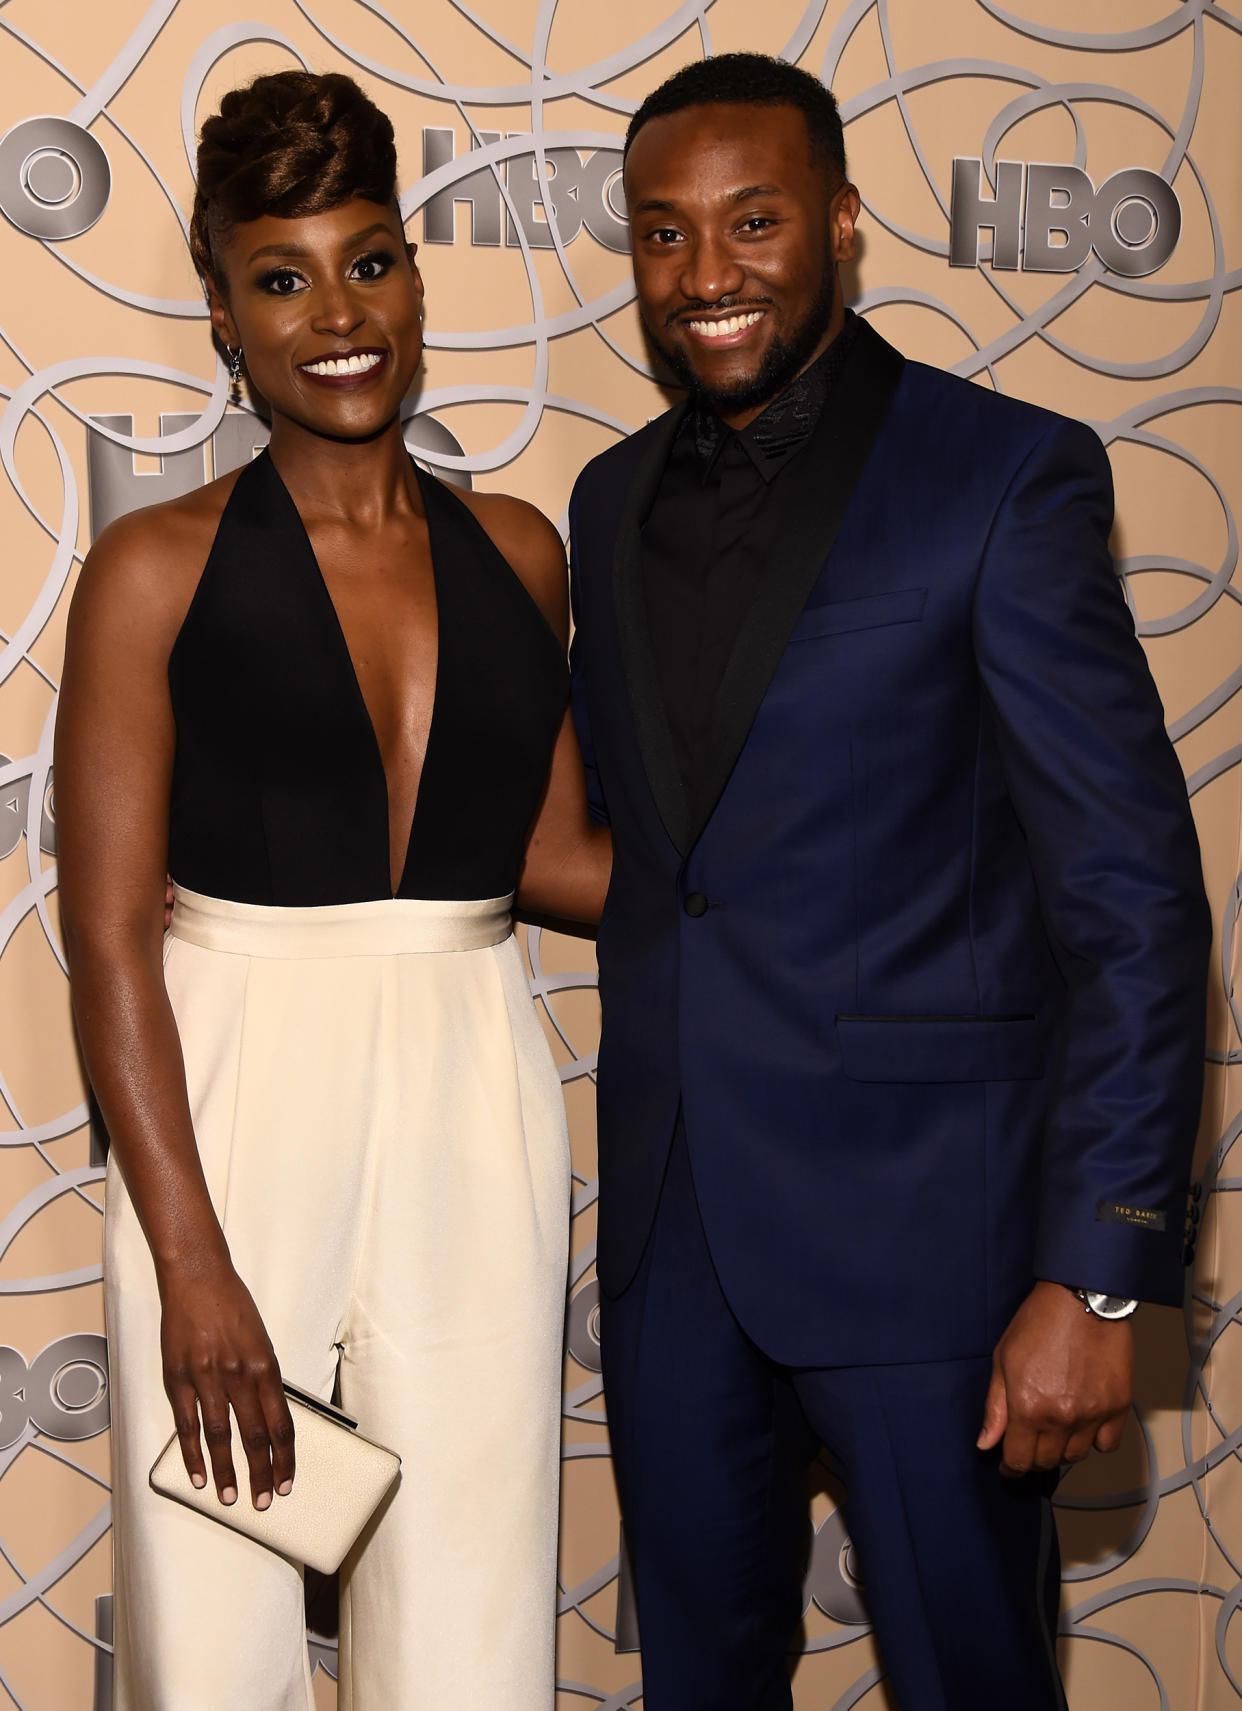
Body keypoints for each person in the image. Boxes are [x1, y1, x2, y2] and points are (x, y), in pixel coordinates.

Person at [567, 52, 1210, 1711]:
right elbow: (672, 865)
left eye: (752, 221)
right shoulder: (607, 497)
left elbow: (1132, 901)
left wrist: (1096, 1268)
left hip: (936, 1247)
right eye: (662, 234)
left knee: (967, 1680)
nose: (705, 273)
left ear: (840, 226)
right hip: (673, 1238)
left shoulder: (1002, 475)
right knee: (697, 1681)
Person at [55, 70, 606, 1711]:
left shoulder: (519, 552)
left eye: (368, 261)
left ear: (416, 274)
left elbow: (552, 858)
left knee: (471, 1596)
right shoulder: (155, 566)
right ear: (225, 317)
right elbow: (105, 942)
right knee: (216, 1619)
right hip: (231, 1089)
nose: (336, 315)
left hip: (470, 1074)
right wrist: (193, 1262)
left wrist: (832, 863)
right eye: (280, 280)